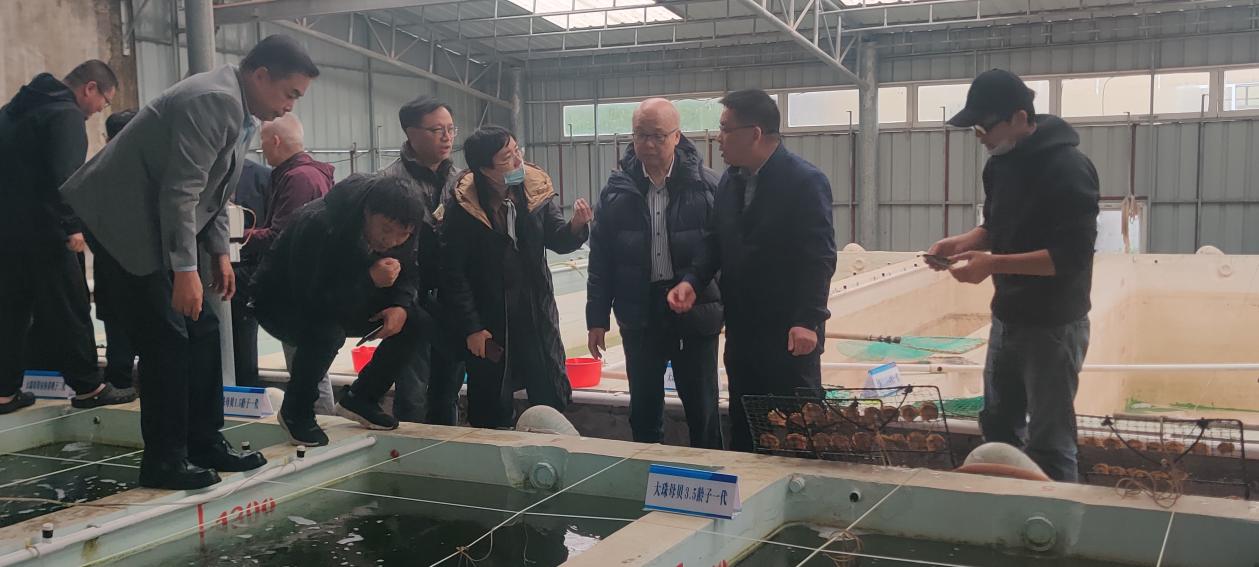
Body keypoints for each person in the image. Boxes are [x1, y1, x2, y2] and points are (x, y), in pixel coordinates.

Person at [60, 35, 320, 489]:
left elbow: (215, 191)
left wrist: (219, 254)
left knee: (203, 330)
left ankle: (203, 441)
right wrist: (185, 270)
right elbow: (181, 191)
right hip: (120, 221)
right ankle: (164, 461)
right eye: (289, 94)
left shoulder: (242, 111)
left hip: (155, 219)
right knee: (167, 339)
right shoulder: (213, 100)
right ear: (261, 76)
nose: (289, 106)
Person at [928, 69, 1098, 482]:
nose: (980, 137)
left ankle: (1058, 515)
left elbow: (1068, 258)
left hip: (1054, 326)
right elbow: (996, 226)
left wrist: (992, 264)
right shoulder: (1000, 166)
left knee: (1051, 441)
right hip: (1007, 318)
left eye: (984, 127)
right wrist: (964, 242)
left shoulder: (1069, 169)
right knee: (998, 427)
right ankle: (1006, 508)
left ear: (1020, 118)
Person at [667, 89, 837, 452]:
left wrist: (808, 319)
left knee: (797, 432)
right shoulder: (731, 181)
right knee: (746, 428)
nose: (719, 137)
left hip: (790, 336)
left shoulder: (804, 182)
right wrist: (693, 281)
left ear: (755, 133)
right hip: (743, 332)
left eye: (726, 129)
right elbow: (715, 240)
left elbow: (819, 257)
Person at [0, 60, 137, 415]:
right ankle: (89, 387)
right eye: (103, 101)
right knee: (70, 306)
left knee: (11, 312)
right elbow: (67, 176)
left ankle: (4, 392)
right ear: (89, 88)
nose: (98, 110)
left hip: (7, 233)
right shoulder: (65, 115)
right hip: (46, 231)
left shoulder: (11, 112)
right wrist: (73, 225)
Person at [586, 98, 723, 449]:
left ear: (677, 136)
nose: (648, 144)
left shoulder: (707, 187)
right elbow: (601, 259)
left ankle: (710, 473)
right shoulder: (617, 192)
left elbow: (721, 251)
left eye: (657, 136)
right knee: (644, 410)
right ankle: (646, 472)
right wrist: (596, 318)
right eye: (640, 135)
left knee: (703, 409)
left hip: (695, 310)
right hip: (640, 311)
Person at [251, 174, 428, 445]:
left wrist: (400, 305)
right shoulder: (320, 223)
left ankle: (362, 398)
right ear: (368, 211)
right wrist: (369, 279)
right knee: (327, 332)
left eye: (402, 234)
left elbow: (410, 270)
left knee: (416, 321)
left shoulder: (405, 229)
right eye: (385, 229)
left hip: (346, 293)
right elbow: (312, 298)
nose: (391, 241)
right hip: (283, 302)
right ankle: (295, 412)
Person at [441, 126, 592, 429]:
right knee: (491, 400)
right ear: (485, 169)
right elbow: (454, 274)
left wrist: (576, 226)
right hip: (489, 317)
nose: (518, 161)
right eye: (506, 158)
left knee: (548, 388)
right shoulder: (463, 207)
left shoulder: (534, 191)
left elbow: (557, 238)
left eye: (516, 151)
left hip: (534, 310)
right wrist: (472, 327)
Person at [239, 114, 336, 414]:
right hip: (311, 284)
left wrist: (237, 234)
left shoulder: (298, 179)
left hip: (300, 289)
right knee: (311, 364)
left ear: (276, 141)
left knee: (307, 367)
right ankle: (316, 419)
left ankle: (319, 420)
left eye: (264, 142)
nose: (262, 150)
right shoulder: (309, 175)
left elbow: (281, 235)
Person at [378, 95, 465, 425]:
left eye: (451, 129)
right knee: (411, 392)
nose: (447, 137)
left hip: (452, 299)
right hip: (408, 299)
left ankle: (448, 449)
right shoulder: (387, 183)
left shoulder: (462, 182)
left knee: (448, 390)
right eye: (437, 130)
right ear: (411, 133)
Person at [98, 109, 139, 390]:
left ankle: (120, 384)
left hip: (110, 268)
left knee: (118, 340)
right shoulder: (148, 170)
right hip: (140, 268)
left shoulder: (94, 172)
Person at [228, 158, 272, 388]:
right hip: (206, 269)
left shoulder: (262, 177)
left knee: (244, 339)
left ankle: (247, 390)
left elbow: (272, 227)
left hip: (247, 268)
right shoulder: (199, 170)